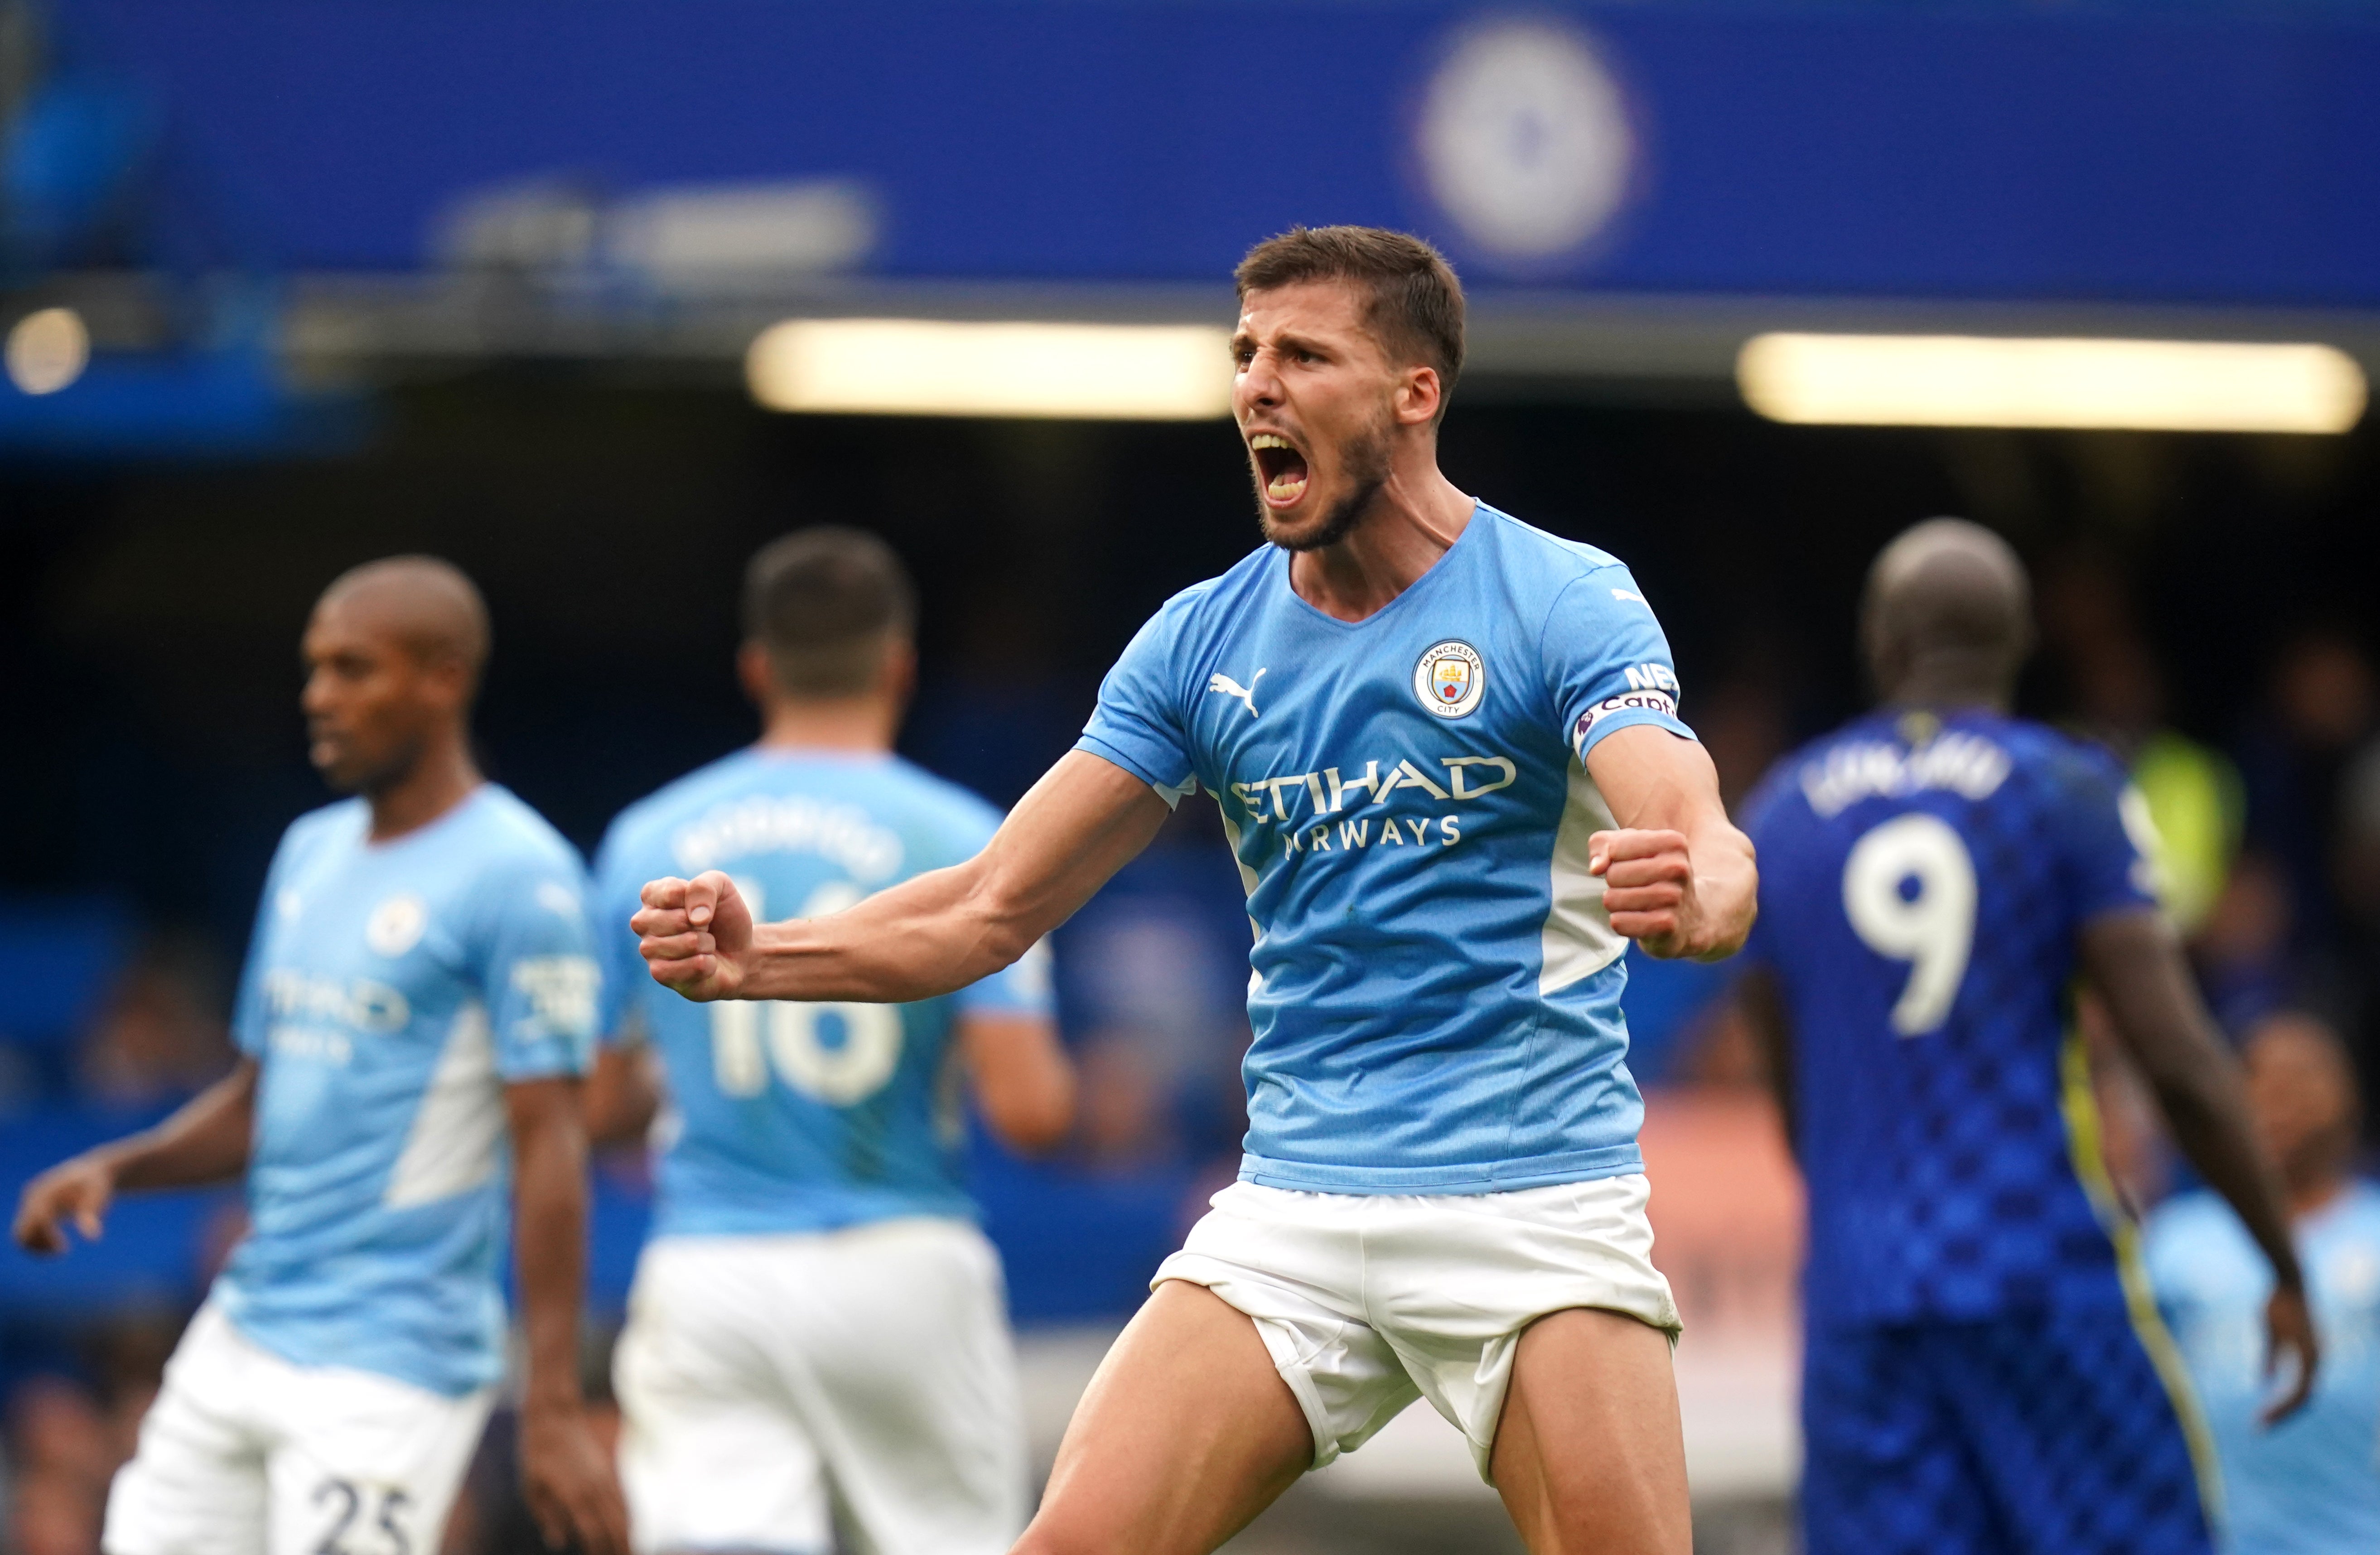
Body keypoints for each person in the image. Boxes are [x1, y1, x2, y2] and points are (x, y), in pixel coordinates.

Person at [633, 225, 1757, 1555]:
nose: (1256, 386)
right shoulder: (1197, 641)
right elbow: (992, 902)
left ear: (1413, 392)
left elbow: (1688, 820)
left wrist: (1702, 891)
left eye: (1303, 354)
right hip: (1294, 1204)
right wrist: (761, 956)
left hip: (1526, 1199)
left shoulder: (1558, 598)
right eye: (1243, 354)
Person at [12, 557, 628, 1555]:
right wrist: (117, 1167)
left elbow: (553, 1142)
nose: (318, 698)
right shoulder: (309, 853)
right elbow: (260, 1102)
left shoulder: (524, 879)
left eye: (352, 670)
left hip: (390, 1363)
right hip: (244, 1329)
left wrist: (551, 1404)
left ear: (443, 677)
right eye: (314, 671)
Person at [1735, 519, 2317, 1555]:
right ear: (2017, 642)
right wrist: (2280, 1255)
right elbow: (2176, 1057)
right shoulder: (2061, 790)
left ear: (1882, 641)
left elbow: (1794, 1105)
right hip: (2037, 1274)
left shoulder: (1783, 811)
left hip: (1862, 1297)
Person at [586, 527, 1075, 1555]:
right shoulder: (968, 840)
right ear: (898, 664)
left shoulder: (646, 838)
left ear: (756, 667)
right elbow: (1030, 1112)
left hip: (710, 1263)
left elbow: (596, 1104)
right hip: (901, 1256)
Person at [2148, 1011, 2380, 1555]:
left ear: (2351, 1098)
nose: (2284, 1096)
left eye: (2307, 1078)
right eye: (2262, 1077)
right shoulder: (2173, 1244)